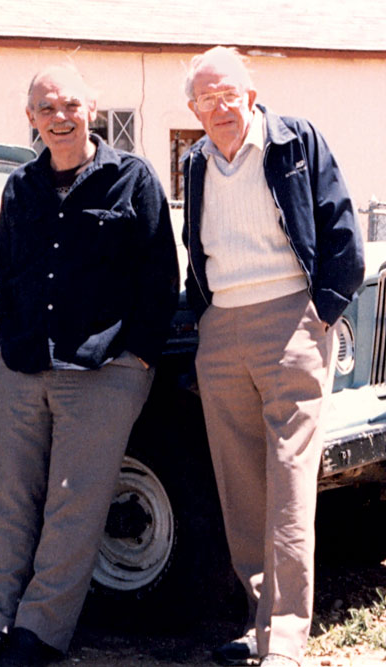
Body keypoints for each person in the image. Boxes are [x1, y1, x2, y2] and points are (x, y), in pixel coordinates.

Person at [0, 64, 179, 667]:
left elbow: (160, 276)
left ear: (92, 109)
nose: (60, 118)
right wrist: (12, 338)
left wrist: (137, 357)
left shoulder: (132, 178)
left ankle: (39, 634)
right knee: (10, 499)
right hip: (25, 364)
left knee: (72, 504)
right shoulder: (20, 187)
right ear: (30, 118)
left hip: (105, 369)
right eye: (46, 109)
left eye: (70, 106)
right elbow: (6, 268)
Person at [181, 47, 364, 667]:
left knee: (289, 482)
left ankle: (285, 635)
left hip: (290, 320)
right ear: (193, 108)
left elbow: (342, 231)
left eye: (230, 93)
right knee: (241, 485)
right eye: (207, 98)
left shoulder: (295, 142)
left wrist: (324, 315)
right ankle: (259, 622)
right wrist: (204, 317)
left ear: (251, 96)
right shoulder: (195, 161)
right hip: (221, 327)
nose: (220, 107)